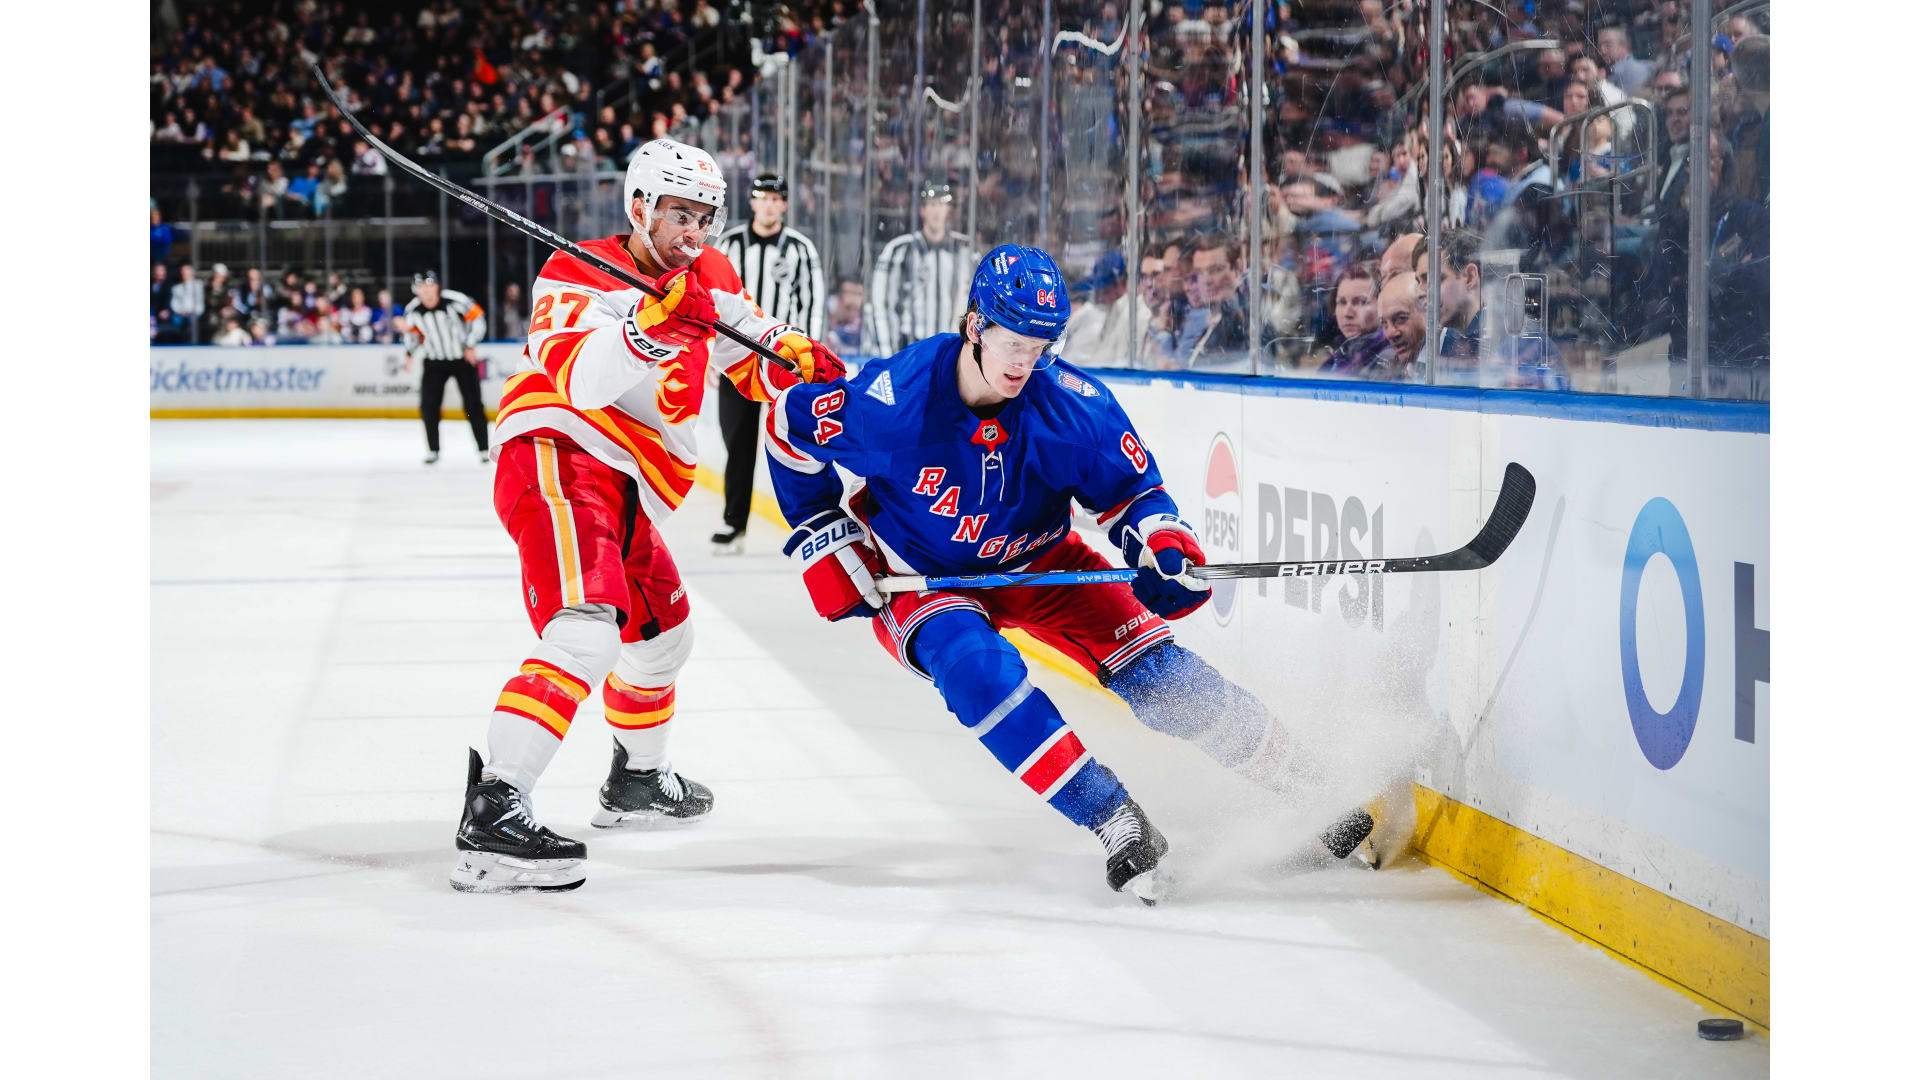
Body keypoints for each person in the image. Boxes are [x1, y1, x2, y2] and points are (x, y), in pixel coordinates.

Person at [759, 245, 1375, 903]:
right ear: (975, 326)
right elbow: (785, 428)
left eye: (1040, 345)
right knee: (977, 673)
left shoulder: (1072, 404)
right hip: (922, 573)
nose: (1025, 363)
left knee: (1161, 678)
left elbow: (1135, 494)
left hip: (1044, 562)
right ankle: (1112, 817)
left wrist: (1160, 543)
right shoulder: (894, 403)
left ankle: (1313, 790)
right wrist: (824, 533)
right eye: (1013, 343)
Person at [450, 137, 844, 894]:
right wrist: (648, 330)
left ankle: (636, 781)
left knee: (663, 638)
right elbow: (581, 378)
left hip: (628, 484)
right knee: (586, 629)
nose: (694, 232)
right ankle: (496, 807)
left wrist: (793, 361)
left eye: (705, 217)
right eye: (679, 215)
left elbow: (748, 345)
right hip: (562, 454)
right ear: (640, 207)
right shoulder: (576, 270)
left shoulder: (707, 276)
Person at [708, 173, 826, 553]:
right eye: (763, 197)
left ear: (785, 204)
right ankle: (734, 523)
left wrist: (808, 356)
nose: (770, 205)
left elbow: (812, 304)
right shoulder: (729, 245)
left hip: (786, 364)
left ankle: (811, 520)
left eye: (777, 198)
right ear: (753, 202)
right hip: (737, 360)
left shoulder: (801, 249)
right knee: (737, 442)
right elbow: (712, 300)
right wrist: (711, 355)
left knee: (795, 444)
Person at [868, 182, 978, 355]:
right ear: (923, 210)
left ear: (948, 210)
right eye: (932, 204)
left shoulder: (965, 252)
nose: (936, 210)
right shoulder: (899, 250)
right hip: (910, 348)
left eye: (941, 204)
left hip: (951, 349)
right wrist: (888, 354)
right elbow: (881, 304)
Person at [404, 270, 490, 466]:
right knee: (428, 405)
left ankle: (484, 448)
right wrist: (409, 353)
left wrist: (470, 344)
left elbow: (478, 317)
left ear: (437, 286)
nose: (426, 291)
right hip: (434, 361)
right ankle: (433, 450)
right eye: (421, 287)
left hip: (462, 359)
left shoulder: (455, 300)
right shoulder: (412, 310)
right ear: (416, 291)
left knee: (473, 404)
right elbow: (413, 335)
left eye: (430, 285)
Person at [1317, 266, 1393, 375]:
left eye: (1361, 302)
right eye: (1342, 302)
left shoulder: (1387, 359)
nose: (1347, 313)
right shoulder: (1339, 356)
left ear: (1382, 305)